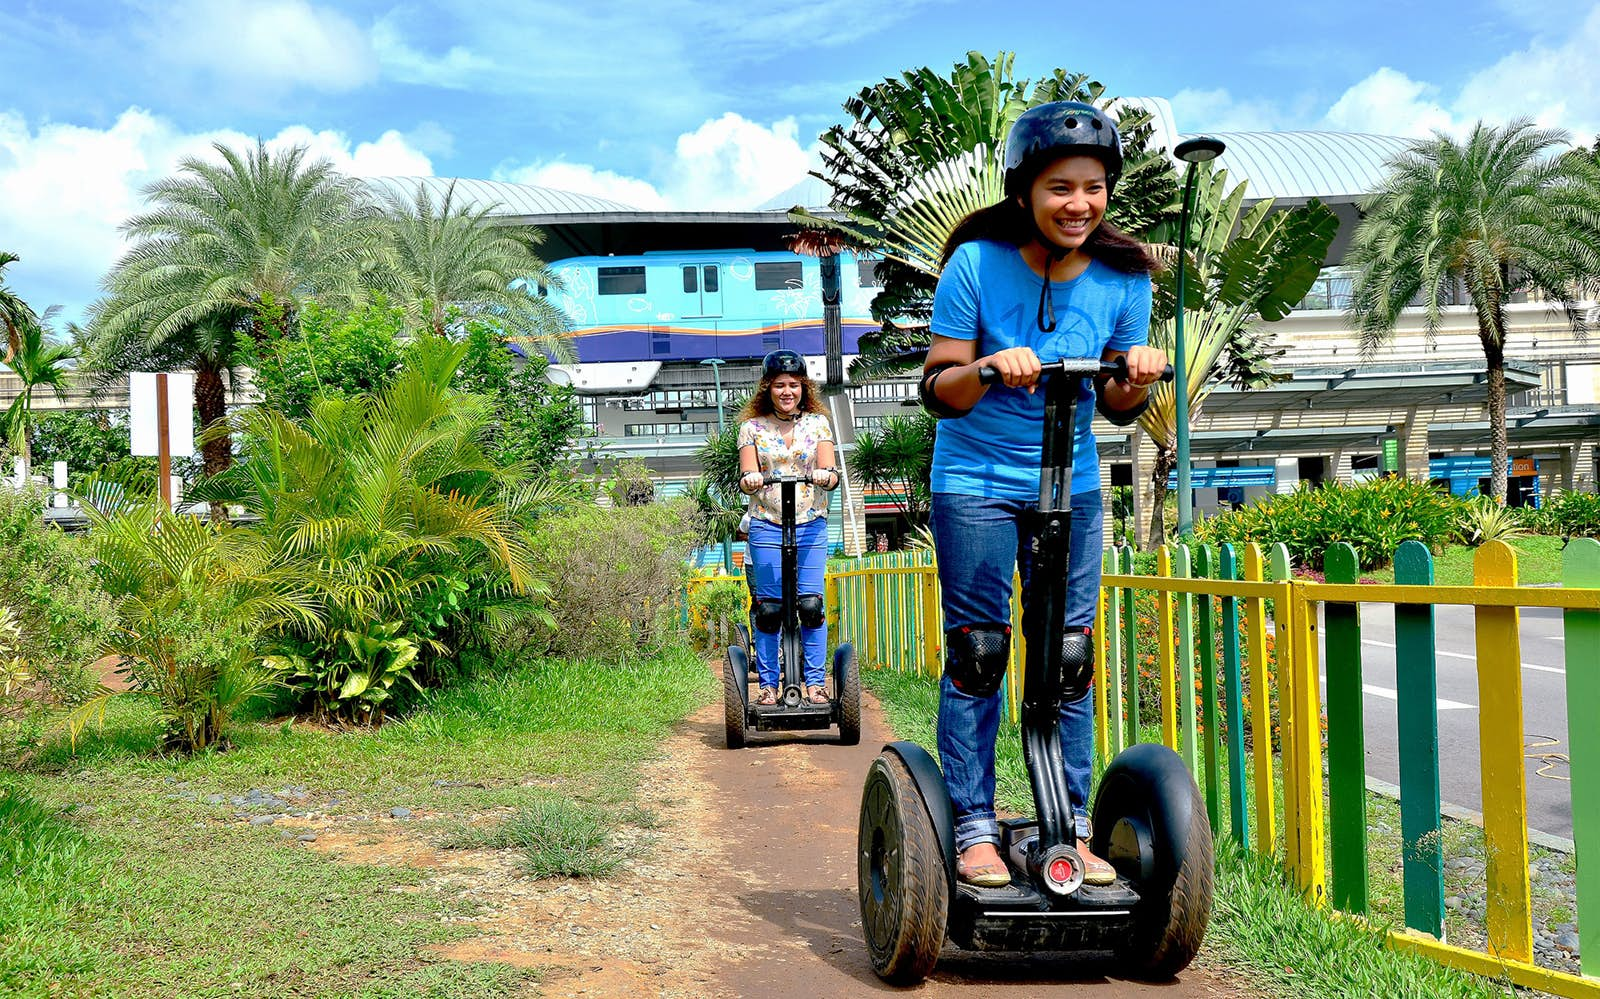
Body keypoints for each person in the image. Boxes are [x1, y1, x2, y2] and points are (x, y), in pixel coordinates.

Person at [918, 101, 1169, 888]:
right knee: (981, 652)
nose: (1079, 204)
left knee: (1068, 658)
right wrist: (991, 367)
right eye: (1061, 186)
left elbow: (1118, 407)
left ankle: (1070, 828)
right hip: (975, 483)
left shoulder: (1126, 278)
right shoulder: (976, 265)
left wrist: (1137, 373)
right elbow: (939, 388)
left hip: (1075, 484)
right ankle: (972, 827)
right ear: (1026, 187)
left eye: (1094, 187)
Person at [736, 349, 840, 705]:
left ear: (803, 387)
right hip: (767, 522)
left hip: (810, 522)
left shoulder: (818, 424)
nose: (787, 391)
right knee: (769, 610)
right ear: (768, 388)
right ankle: (768, 686)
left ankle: (814, 683)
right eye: (779, 385)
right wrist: (751, 479)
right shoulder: (751, 429)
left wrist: (827, 474)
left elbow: (828, 466)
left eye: (793, 385)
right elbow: (748, 471)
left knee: (811, 605)